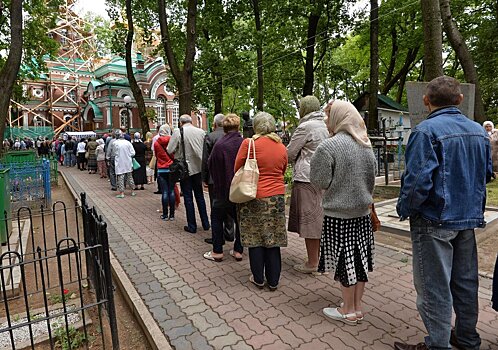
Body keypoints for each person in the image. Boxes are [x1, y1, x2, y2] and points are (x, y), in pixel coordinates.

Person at [394, 76, 493, 350]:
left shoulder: (426, 131)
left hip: (433, 219)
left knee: (433, 289)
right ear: (460, 100)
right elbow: (485, 175)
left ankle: (439, 345)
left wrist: (406, 209)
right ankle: (467, 339)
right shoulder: (477, 131)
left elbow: (416, 183)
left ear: (427, 101)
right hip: (467, 218)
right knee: (465, 283)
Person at [310, 100, 376, 325]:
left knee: (344, 261)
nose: (326, 121)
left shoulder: (328, 147)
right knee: (359, 261)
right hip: (362, 213)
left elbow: (319, 181)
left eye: (328, 116)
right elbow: (371, 180)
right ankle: (356, 308)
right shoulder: (366, 144)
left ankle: (347, 311)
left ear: (339, 117)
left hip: (339, 215)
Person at [235, 112, 288, 291]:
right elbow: (283, 169)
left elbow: (237, 168)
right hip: (276, 198)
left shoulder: (249, 144)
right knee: (273, 239)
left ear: (255, 126)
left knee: (255, 238)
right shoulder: (281, 146)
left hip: (253, 197)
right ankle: (273, 281)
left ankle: (258, 278)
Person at [287, 96, 329, 274]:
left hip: (307, 178)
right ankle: (324, 261)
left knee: (311, 222)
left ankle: (313, 263)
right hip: (326, 177)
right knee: (323, 220)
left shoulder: (305, 127)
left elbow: (289, 153)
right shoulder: (328, 124)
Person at [203, 114, 244, 262]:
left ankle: (217, 252)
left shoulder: (219, 144)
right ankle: (238, 250)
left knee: (216, 217)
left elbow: (210, 164)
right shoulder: (244, 143)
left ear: (224, 127)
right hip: (240, 190)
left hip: (222, 189)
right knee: (240, 219)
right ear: (238, 127)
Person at [167, 115, 210, 233]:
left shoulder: (178, 131)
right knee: (200, 196)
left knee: (188, 197)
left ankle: (192, 226)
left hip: (185, 169)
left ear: (181, 122)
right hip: (199, 168)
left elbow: (170, 149)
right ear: (191, 122)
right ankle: (206, 223)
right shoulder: (201, 132)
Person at [202, 113, 235, 244]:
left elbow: (206, 160)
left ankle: (218, 236)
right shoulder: (233, 137)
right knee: (230, 204)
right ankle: (230, 233)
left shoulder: (210, 136)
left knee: (216, 206)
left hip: (214, 178)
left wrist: (204, 177)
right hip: (231, 176)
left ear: (214, 124)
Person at [154, 124, 176, 221]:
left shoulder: (156, 143)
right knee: (171, 191)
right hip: (171, 169)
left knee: (165, 192)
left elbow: (156, 155)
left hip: (161, 169)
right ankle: (172, 215)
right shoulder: (172, 141)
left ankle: (165, 214)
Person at [113, 130, 136, 198]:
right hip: (128, 161)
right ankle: (132, 191)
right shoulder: (128, 143)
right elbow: (133, 153)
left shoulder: (115, 143)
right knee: (130, 176)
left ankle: (122, 192)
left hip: (119, 162)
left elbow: (114, 153)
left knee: (120, 177)